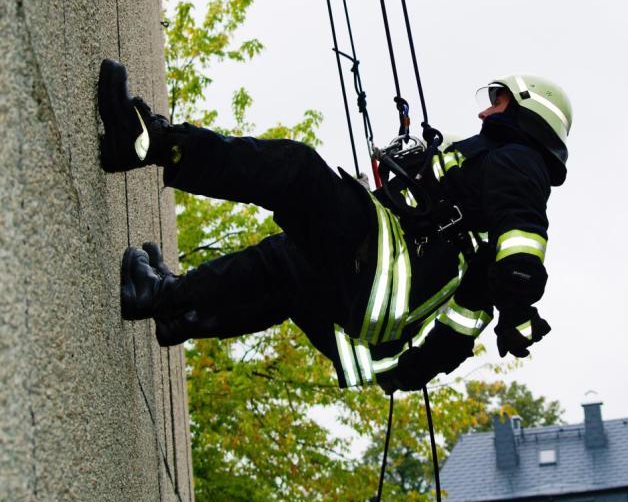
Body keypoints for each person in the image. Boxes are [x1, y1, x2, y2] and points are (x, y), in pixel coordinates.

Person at [99, 58, 572, 392]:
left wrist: (518, 309)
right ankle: (164, 301)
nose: (485, 110)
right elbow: (461, 326)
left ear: (528, 112)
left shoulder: (519, 160)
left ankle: (146, 142)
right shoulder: (487, 211)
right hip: (375, 308)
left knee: (296, 170)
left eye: (498, 100)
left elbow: (523, 244)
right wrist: (402, 373)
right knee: (282, 268)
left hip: (385, 268)